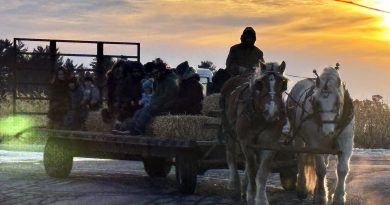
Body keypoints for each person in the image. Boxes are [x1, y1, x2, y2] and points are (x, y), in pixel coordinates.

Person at [112, 60, 179, 135]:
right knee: (139, 111)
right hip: (157, 105)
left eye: (156, 73)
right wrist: (151, 101)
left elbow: (168, 97)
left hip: (166, 107)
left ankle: (138, 130)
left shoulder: (170, 82)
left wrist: (154, 102)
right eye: (154, 73)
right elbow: (155, 95)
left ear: (162, 71)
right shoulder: (158, 82)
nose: (155, 75)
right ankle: (130, 129)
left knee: (147, 110)